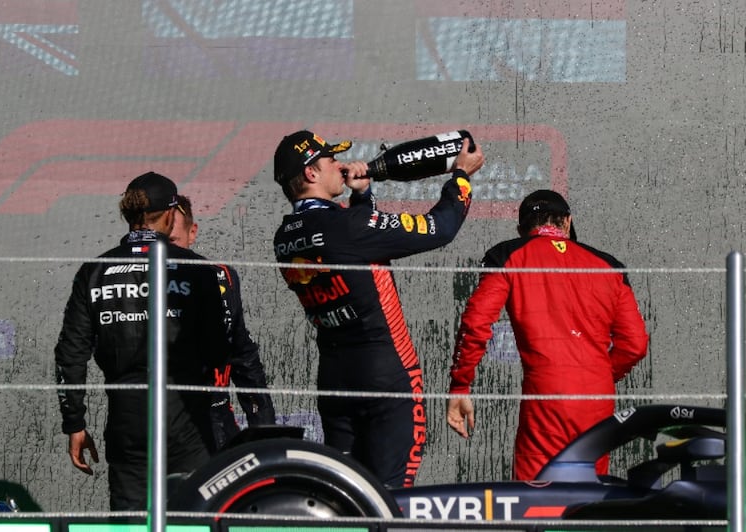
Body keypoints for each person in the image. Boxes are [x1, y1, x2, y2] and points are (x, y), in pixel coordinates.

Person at [272, 129, 485, 488]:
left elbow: (351, 256)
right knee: (390, 498)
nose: (340, 165)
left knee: (344, 497)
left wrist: (363, 196)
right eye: (330, 160)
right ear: (311, 174)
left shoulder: (284, 235)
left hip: (335, 379)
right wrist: (460, 178)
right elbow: (440, 228)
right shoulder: (348, 226)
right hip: (386, 373)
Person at [54, 171, 237, 510]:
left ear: (128, 214)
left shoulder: (94, 271)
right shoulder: (199, 270)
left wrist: (74, 422)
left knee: (131, 519)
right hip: (187, 416)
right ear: (171, 215)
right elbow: (218, 350)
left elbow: (70, 352)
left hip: (127, 418)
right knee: (193, 516)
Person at [447, 189, 649, 480]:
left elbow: (475, 324)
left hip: (547, 393)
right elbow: (635, 344)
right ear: (567, 222)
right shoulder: (609, 265)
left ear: (522, 229)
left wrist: (460, 384)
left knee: (536, 499)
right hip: (597, 395)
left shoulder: (508, 254)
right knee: (588, 498)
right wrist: (599, 375)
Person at [170, 194, 276, 450]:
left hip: (216, 421)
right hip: (160, 422)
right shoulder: (135, 282)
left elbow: (242, 354)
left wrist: (264, 429)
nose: (167, 253)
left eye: (173, 241)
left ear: (192, 233)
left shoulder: (221, 277)